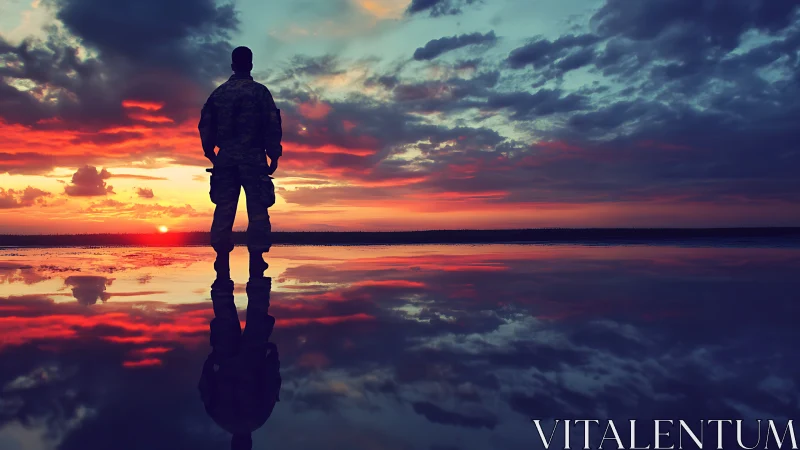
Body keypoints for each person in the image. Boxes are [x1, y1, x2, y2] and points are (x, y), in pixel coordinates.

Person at [198, 46, 283, 280]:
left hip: (226, 160)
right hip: (253, 159)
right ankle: (257, 260)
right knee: (258, 211)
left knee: (224, 210)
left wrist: (211, 153)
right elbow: (272, 124)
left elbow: (205, 125)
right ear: (251, 65)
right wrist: (273, 154)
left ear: (233, 65)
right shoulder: (260, 92)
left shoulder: (219, 93)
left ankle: (221, 261)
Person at [199, 273, 281, 450]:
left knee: (257, 312)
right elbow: (205, 388)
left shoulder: (258, 419)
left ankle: (256, 264)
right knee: (224, 308)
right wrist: (210, 362)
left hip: (251, 358)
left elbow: (271, 385)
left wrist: (273, 357)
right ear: (233, 443)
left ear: (249, 442)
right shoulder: (220, 419)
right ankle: (222, 258)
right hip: (227, 358)